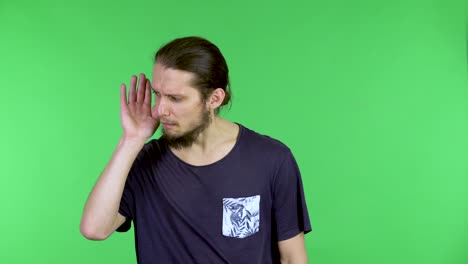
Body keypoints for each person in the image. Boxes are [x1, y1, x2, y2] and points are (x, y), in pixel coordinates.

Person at [80, 36, 312, 263]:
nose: (160, 109)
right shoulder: (145, 161)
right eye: (157, 94)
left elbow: (293, 257)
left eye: (175, 98)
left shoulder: (271, 160)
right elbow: (94, 229)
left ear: (214, 99)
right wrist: (131, 140)